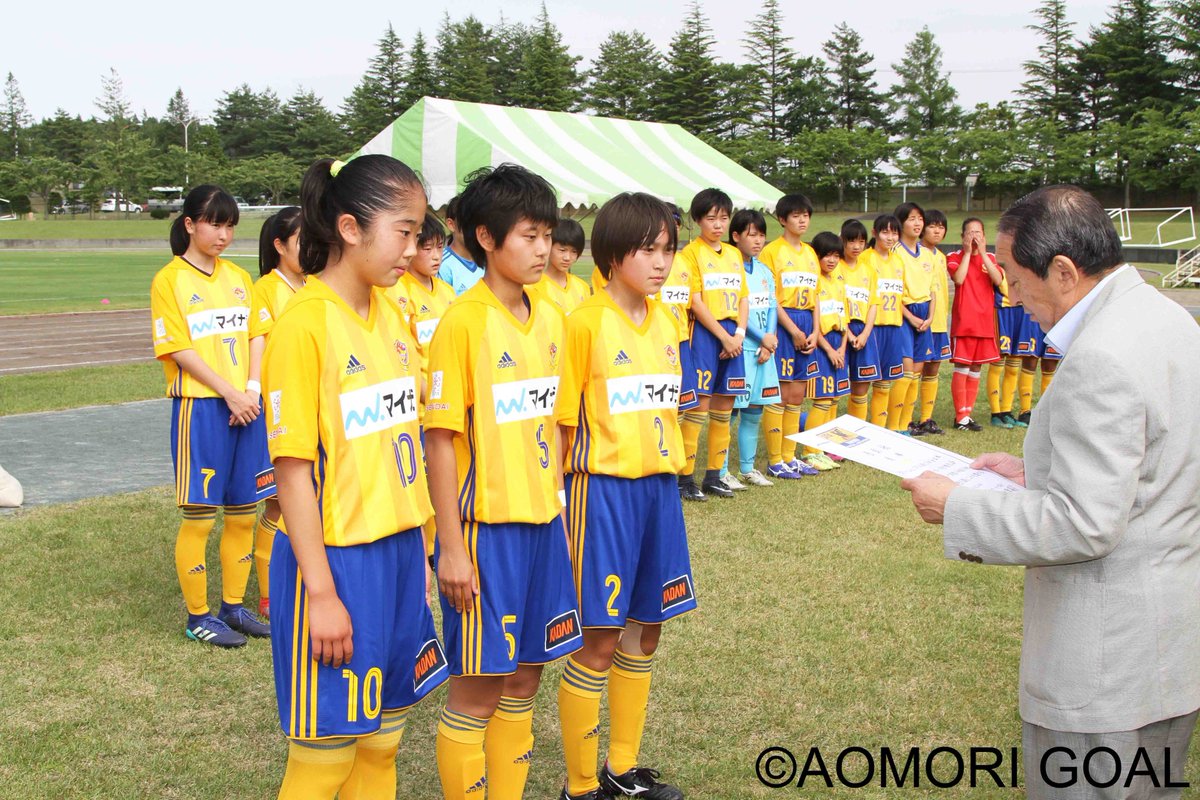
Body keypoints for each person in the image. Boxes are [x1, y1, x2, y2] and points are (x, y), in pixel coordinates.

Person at [902, 184, 1200, 800]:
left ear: (1062, 271)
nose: (1012, 295)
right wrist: (1033, 472)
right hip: (1169, 644)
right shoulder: (1169, 317)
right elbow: (1150, 465)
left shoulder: (1103, 357)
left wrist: (957, 508)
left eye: (1014, 277)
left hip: (1105, 662)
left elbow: (1085, 524)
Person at [262, 156, 448, 800]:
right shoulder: (304, 324)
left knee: (383, 738)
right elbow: (292, 473)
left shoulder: (394, 316)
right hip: (337, 562)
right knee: (325, 754)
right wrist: (320, 593)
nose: (414, 249)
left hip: (398, 553)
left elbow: (406, 443)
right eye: (403, 231)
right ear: (348, 227)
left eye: (420, 232)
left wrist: (423, 549)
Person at [425, 164, 583, 800]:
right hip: (483, 532)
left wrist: (560, 510)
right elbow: (440, 439)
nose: (542, 249)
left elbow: (555, 423)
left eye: (547, 234)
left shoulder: (551, 316)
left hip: (543, 523)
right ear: (486, 238)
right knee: (479, 684)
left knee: (526, 676)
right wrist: (452, 548)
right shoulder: (462, 324)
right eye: (528, 235)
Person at [555, 192, 696, 800]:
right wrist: (557, 513)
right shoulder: (582, 323)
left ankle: (621, 769)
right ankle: (580, 786)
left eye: (668, 249)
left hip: (659, 491)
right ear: (612, 254)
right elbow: (560, 426)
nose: (661, 262)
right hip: (600, 494)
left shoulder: (667, 320)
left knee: (648, 627)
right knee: (599, 638)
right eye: (647, 249)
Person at [150, 184, 273, 648]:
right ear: (189, 225)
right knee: (200, 517)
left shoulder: (240, 278)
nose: (223, 234)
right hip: (201, 409)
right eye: (214, 224)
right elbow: (178, 348)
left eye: (229, 225)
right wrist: (229, 393)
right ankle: (198, 616)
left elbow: (257, 335)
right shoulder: (170, 280)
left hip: (248, 407)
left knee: (243, 513)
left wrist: (252, 389)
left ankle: (233, 608)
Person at [676, 188, 750, 500]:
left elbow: (744, 297)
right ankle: (685, 478)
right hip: (707, 336)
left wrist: (740, 334)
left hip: (735, 335)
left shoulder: (733, 254)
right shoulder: (689, 254)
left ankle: (714, 475)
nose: (718, 224)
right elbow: (694, 300)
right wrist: (722, 336)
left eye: (723, 218)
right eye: (711, 218)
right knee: (699, 406)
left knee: (725, 405)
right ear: (697, 220)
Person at [250, 205, 304, 616]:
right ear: (280, 246)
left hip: (313, 407)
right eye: (303, 241)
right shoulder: (267, 289)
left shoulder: (315, 284)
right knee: (278, 502)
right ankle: (269, 593)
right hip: (279, 409)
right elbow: (265, 351)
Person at [758, 193, 821, 479]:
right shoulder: (772, 251)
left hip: (808, 322)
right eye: (795, 215)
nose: (801, 220)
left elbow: (817, 296)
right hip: (784, 324)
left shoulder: (810, 253)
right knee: (780, 392)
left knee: (797, 393)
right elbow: (772, 298)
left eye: (805, 215)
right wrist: (793, 330)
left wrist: (815, 331)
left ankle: (789, 456)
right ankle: (774, 459)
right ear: (782, 219)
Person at [723, 208, 780, 488]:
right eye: (752, 235)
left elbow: (771, 306)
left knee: (755, 409)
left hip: (763, 352)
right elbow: (735, 309)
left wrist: (770, 339)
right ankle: (720, 471)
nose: (758, 241)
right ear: (736, 236)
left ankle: (747, 468)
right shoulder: (729, 268)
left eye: (762, 236)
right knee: (730, 410)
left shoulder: (765, 271)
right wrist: (761, 338)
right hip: (741, 348)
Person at [946, 218, 1003, 431]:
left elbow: (998, 280)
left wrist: (983, 254)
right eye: (970, 233)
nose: (974, 237)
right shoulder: (954, 257)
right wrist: (969, 253)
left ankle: (967, 413)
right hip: (965, 322)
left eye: (978, 233)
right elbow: (959, 279)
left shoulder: (990, 258)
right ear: (962, 237)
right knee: (962, 365)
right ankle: (960, 416)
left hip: (985, 321)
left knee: (977, 367)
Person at [799, 232, 849, 468]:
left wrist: (842, 346)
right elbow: (816, 322)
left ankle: (827, 447)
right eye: (826, 255)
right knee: (821, 399)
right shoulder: (814, 281)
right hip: (824, 345)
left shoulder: (838, 280)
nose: (831, 260)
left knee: (833, 399)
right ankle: (811, 450)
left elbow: (844, 317)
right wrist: (830, 350)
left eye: (836, 255)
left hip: (839, 344)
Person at [890, 202, 935, 436]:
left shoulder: (927, 254)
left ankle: (907, 424)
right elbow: (893, 293)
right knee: (905, 373)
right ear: (901, 223)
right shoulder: (895, 253)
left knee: (916, 373)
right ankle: (894, 425)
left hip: (924, 315)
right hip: (904, 315)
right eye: (911, 219)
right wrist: (911, 317)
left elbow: (934, 289)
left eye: (920, 219)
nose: (917, 223)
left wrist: (930, 316)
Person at [861, 214, 904, 429]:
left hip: (894, 326)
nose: (890, 237)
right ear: (874, 232)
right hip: (872, 328)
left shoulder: (898, 261)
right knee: (862, 382)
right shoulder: (866, 258)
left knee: (885, 382)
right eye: (885, 231)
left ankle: (879, 429)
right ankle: (858, 429)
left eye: (894, 232)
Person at [838, 219, 880, 422]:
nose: (856, 246)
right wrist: (848, 333)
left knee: (861, 386)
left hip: (863, 331)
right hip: (840, 330)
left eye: (861, 242)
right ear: (842, 241)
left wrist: (864, 334)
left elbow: (873, 304)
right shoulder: (836, 267)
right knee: (836, 387)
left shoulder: (868, 270)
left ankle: (856, 433)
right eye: (851, 241)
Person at [915, 209, 949, 434]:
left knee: (933, 370)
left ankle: (926, 418)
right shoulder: (915, 253)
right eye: (932, 226)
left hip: (939, 322)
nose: (937, 231)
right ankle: (906, 418)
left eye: (941, 227)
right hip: (920, 321)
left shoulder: (941, 256)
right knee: (914, 371)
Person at [534, 217, 591, 314]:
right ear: (549, 246)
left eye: (574, 252)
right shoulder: (534, 287)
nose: (567, 257)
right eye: (562, 250)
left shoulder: (582, 287)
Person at [438, 194, 484, 296]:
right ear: (451, 225)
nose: (474, 228)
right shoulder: (441, 264)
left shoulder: (488, 260)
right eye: (468, 222)